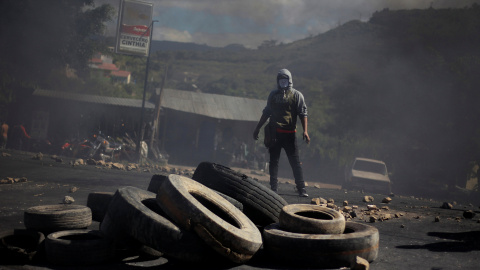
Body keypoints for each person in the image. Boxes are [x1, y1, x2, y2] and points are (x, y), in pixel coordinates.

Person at [253, 69, 310, 197]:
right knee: (274, 161)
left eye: (285, 80)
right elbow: (266, 112)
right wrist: (257, 128)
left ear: (289, 80)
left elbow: (303, 113)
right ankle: (273, 188)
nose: (282, 82)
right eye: (280, 80)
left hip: (290, 134)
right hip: (275, 134)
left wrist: (305, 131)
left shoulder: (296, 95)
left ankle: (301, 189)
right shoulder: (273, 95)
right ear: (278, 81)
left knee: (295, 162)